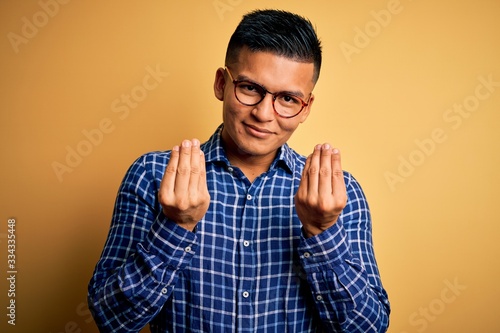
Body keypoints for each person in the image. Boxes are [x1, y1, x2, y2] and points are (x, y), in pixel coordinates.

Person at [88, 9, 390, 332]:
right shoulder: (152, 176)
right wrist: (175, 227)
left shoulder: (338, 196)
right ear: (221, 83)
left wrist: (322, 232)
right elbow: (111, 319)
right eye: (249, 88)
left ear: (306, 108)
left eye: (287, 98)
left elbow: (368, 328)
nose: (263, 113)